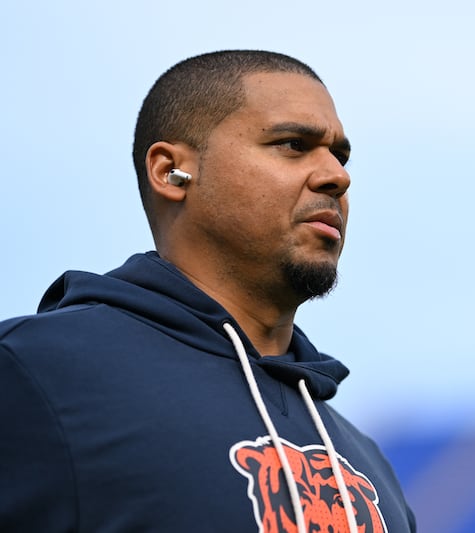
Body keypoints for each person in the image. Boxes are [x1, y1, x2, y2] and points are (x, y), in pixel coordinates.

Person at [0, 50, 416, 533]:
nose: (337, 176)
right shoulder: (34, 372)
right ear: (171, 171)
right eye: (292, 144)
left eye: (339, 155)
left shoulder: (365, 461)